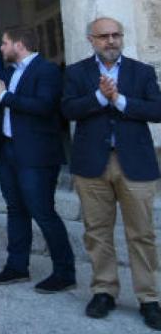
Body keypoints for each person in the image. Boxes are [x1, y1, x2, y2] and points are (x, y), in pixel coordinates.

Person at [61, 17, 161, 328]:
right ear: (91, 39)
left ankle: (148, 298)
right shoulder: (77, 72)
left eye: (117, 34)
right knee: (97, 232)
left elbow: (157, 110)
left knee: (141, 234)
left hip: (135, 163)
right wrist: (100, 97)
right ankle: (104, 290)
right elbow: (67, 109)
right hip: (92, 164)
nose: (111, 41)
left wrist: (119, 100)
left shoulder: (140, 72)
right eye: (104, 36)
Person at [0, 26, 75, 293]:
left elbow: (43, 107)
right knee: (15, 210)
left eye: (5, 43)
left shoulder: (48, 71)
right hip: (8, 150)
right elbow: (4, 106)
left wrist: (3, 94)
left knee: (43, 212)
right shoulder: (11, 72)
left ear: (19, 45)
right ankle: (16, 267)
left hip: (37, 154)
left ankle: (64, 272)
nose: (1, 48)